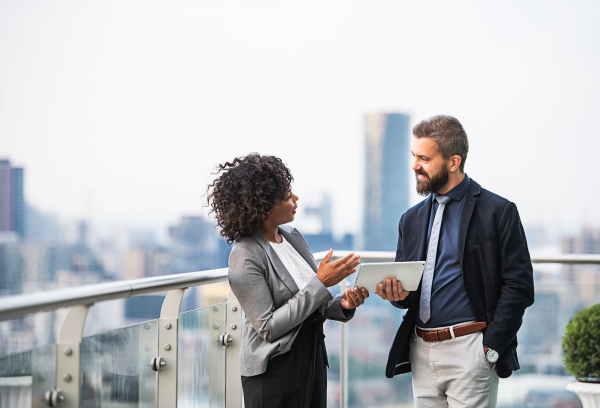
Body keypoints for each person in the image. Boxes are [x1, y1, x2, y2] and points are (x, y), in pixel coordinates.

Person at [377, 115, 535, 407]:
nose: (415, 165)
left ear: (453, 162)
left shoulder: (498, 212)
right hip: (421, 350)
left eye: (424, 158)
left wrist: (490, 348)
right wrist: (396, 295)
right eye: (414, 156)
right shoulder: (410, 219)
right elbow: (409, 295)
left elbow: (519, 285)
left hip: (471, 350)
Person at [207, 153, 368, 408]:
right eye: (286, 196)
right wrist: (321, 283)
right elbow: (268, 327)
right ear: (261, 205)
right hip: (275, 370)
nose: (295, 199)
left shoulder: (292, 236)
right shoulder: (245, 254)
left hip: (312, 358)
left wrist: (344, 304)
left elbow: (315, 302)